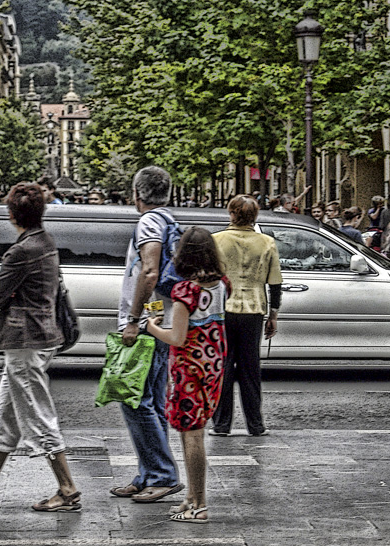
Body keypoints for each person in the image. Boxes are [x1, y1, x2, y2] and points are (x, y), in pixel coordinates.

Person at [0, 182, 80, 512]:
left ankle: (67, 489)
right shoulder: (46, 241)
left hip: (25, 341)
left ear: (11, 215)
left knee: (37, 415)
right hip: (43, 336)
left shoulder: (21, 251)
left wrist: (10, 292)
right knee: (5, 416)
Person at [144, 227, 228, 524]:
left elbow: (177, 337)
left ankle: (200, 504)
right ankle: (191, 497)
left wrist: (150, 327)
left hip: (188, 369)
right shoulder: (220, 285)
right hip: (213, 366)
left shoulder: (185, 292)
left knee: (192, 436)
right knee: (192, 431)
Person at [111, 165, 184, 504]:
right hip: (161, 319)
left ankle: (162, 475)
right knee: (151, 401)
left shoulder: (150, 222)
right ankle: (147, 474)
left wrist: (134, 319)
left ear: (137, 194)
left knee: (134, 399)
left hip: (146, 323)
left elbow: (150, 270)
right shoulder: (169, 220)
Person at [209, 195, 282, 437]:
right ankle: (255, 424)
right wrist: (273, 314)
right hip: (254, 309)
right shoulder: (267, 242)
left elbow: (209, 278)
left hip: (223, 309)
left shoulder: (216, 240)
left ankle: (221, 424)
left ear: (231, 214)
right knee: (251, 368)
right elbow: (275, 282)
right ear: (255, 216)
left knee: (224, 367)